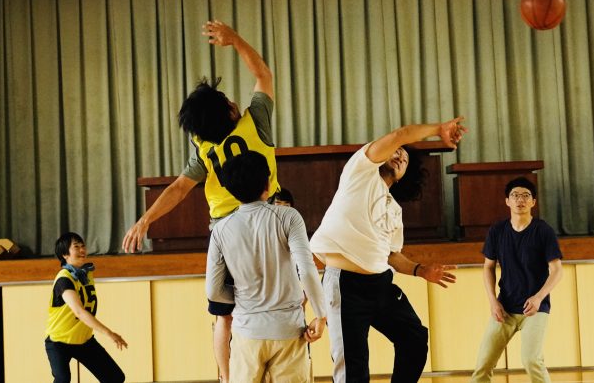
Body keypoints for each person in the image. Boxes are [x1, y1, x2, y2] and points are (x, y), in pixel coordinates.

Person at [122, 20, 279, 382]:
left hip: (226, 231)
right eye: (227, 100)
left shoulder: (204, 146)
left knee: (223, 313)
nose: (233, 100)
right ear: (229, 112)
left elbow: (179, 187)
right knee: (280, 301)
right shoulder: (255, 122)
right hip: (267, 220)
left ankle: (226, 377)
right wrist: (236, 39)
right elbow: (263, 74)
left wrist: (146, 220)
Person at [310, 118, 467, 383]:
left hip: (381, 284)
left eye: (404, 159)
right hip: (345, 286)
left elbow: (392, 255)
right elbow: (400, 135)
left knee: (415, 339)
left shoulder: (395, 209)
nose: (399, 156)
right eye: (396, 152)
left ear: (406, 175)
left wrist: (420, 270)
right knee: (353, 370)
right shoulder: (359, 171)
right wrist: (437, 130)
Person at [206, 151, 326, 382]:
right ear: (268, 183)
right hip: (289, 330)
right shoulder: (288, 216)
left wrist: (242, 296)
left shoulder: (221, 230)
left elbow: (213, 290)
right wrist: (321, 315)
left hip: (247, 332)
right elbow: (307, 269)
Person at [469, 177, 563, 383]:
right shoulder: (497, 231)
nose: (520, 199)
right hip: (505, 307)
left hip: (535, 309)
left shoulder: (543, 231)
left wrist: (539, 298)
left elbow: (557, 270)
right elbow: (488, 267)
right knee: (483, 363)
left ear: (533, 202)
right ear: (507, 201)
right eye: (515, 195)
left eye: (526, 196)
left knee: (531, 360)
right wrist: (493, 301)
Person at [45, 232, 127, 383]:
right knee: (62, 379)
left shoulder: (86, 275)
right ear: (65, 254)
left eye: (83, 246)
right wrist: (109, 333)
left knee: (115, 378)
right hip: (59, 342)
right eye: (76, 247)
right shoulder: (64, 279)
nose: (82, 250)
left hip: (84, 340)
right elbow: (79, 312)